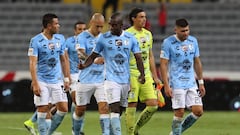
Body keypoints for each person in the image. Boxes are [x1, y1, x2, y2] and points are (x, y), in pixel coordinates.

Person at [79, 12, 145, 135]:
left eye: (114, 25)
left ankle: (110, 132)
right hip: (110, 79)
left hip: (125, 80)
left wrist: (142, 74)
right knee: (114, 108)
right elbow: (93, 56)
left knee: (120, 110)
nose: (111, 27)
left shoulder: (130, 38)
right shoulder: (103, 38)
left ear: (121, 25)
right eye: (110, 25)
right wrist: (84, 65)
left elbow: (138, 58)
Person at [159, 18, 206, 135]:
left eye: (187, 30)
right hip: (176, 83)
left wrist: (201, 82)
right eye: (183, 31)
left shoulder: (193, 41)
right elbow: (163, 65)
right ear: (176, 30)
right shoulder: (168, 42)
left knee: (198, 111)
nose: (186, 33)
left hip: (191, 83)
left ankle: (174, 133)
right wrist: (166, 85)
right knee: (179, 112)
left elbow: (197, 62)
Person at [27, 13, 70, 135]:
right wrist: (35, 83)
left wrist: (66, 79)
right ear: (49, 26)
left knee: (63, 108)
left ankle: (49, 132)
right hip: (42, 80)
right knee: (42, 109)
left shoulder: (60, 38)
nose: (59, 26)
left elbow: (63, 59)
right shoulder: (36, 41)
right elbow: (32, 63)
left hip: (57, 80)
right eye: (56, 24)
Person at [125, 8, 161, 135]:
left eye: (145, 17)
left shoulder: (148, 34)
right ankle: (130, 133)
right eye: (140, 17)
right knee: (132, 105)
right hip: (132, 74)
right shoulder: (127, 34)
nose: (144, 19)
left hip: (145, 74)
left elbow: (150, 56)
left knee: (153, 105)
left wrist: (155, 76)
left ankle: (135, 130)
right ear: (133, 19)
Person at [72, 13, 110, 135]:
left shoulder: (104, 38)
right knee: (80, 110)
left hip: (101, 80)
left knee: (104, 108)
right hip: (85, 79)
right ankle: (76, 132)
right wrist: (94, 60)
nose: (99, 29)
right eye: (97, 26)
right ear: (91, 23)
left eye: (101, 27)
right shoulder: (82, 37)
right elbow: (81, 54)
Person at [64, 21, 86, 135]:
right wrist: (66, 76)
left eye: (84, 29)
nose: (82, 31)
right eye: (79, 29)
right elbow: (64, 59)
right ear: (75, 31)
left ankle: (76, 128)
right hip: (73, 74)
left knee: (81, 103)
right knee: (78, 101)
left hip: (85, 74)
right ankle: (78, 130)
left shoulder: (88, 41)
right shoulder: (68, 42)